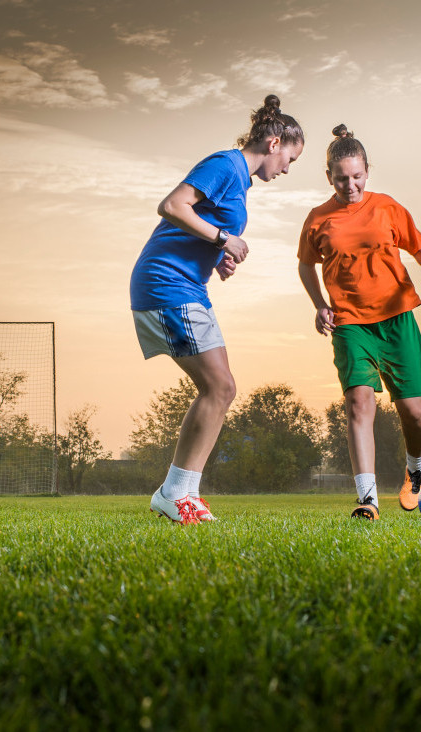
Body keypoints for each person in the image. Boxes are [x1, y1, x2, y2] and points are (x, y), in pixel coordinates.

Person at [130, 95, 305, 525]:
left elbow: (201, 227)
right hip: (166, 283)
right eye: (289, 159)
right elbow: (172, 206)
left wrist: (218, 256)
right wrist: (223, 239)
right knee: (219, 387)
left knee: (221, 389)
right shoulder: (225, 164)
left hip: (188, 285)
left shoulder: (240, 182)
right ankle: (173, 493)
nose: (286, 170)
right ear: (274, 143)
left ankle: (186, 492)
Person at [297, 124, 421, 520]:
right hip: (350, 323)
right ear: (329, 177)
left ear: (367, 171)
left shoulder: (387, 208)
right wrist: (320, 305)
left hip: (397, 320)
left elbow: (417, 246)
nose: (350, 185)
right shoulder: (318, 219)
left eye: (356, 176)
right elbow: (305, 265)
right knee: (358, 402)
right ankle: (367, 499)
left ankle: (415, 472)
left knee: (413, 413)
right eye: (341, 179)